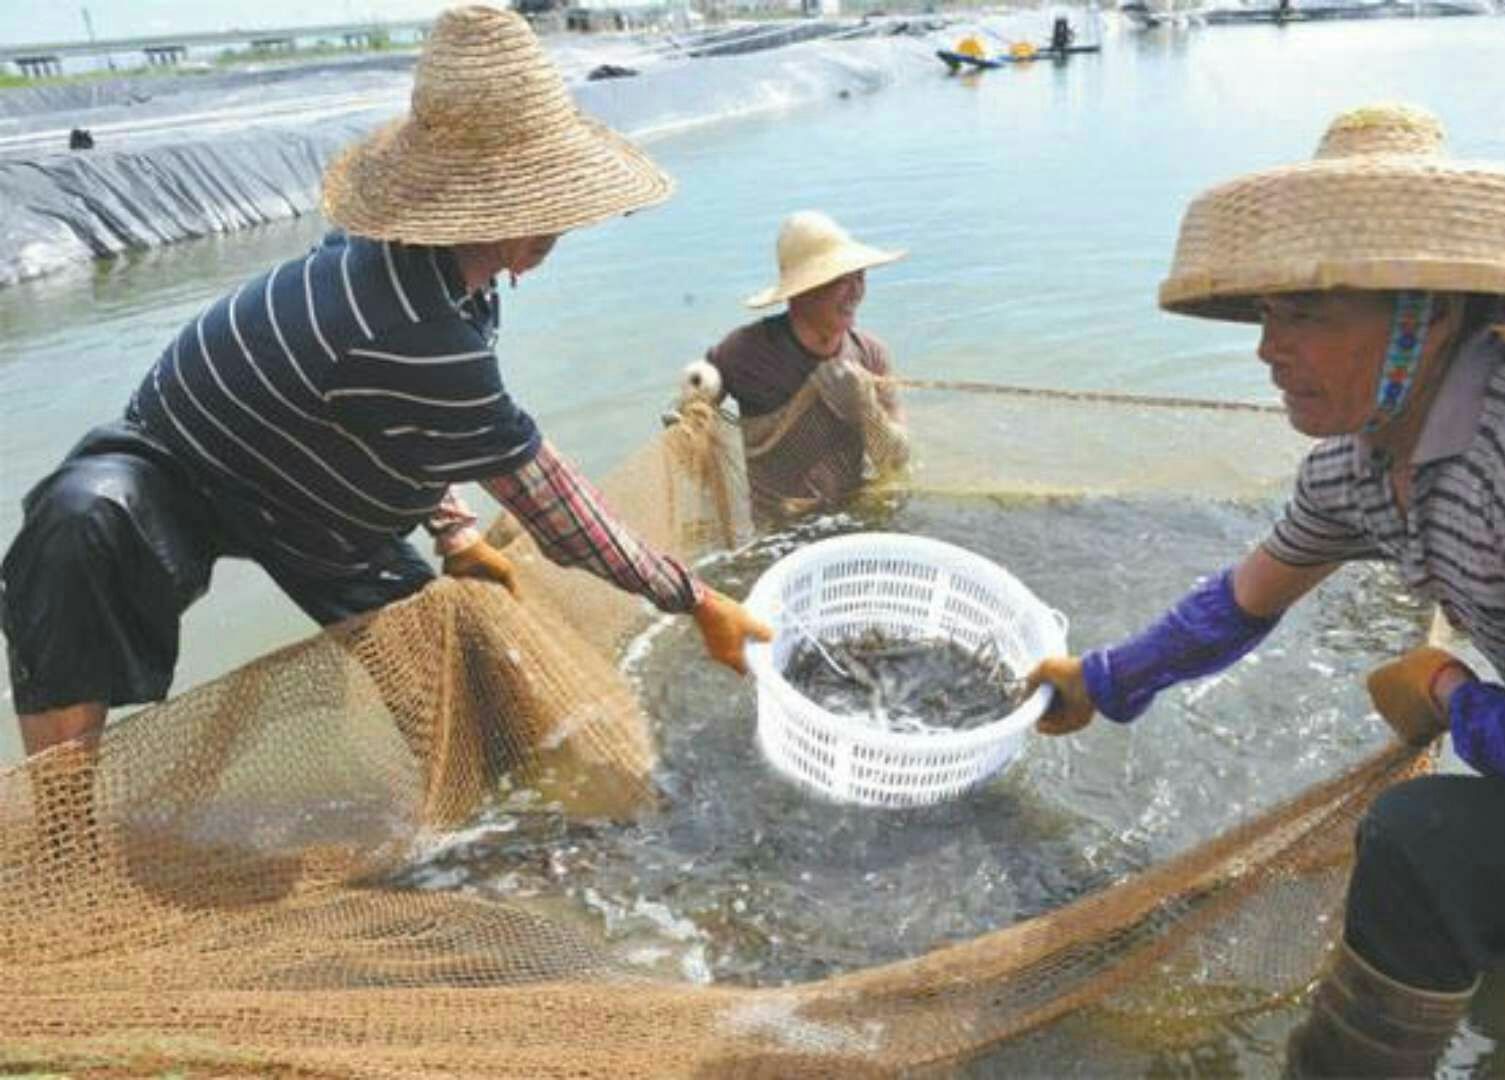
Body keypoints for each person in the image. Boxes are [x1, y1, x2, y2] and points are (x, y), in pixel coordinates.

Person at [0, 6, 769, 764]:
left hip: (323, 514)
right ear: (482, 206)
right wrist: (694, 599)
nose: (555, 235)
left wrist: (453, 527)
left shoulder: (449, 279)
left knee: (468, 698)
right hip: (181, 472)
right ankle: (69, 836)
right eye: (542, 213)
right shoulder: (418, 329)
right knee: (80, 521)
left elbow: (394, 411)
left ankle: (476, 829)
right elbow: (554, 507)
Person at [1025, 103, 1505, 1076]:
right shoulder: (1357, 465)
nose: (1268, 349)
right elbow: (1237, 604)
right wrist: (1099, 682)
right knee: (1486, 869)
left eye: (1305, 314)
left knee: (1420, 840)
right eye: (1267, 313)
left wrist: (1446, 694)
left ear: (1422, 316)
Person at [683, 210, 911, 522]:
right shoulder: (746, 353)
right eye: (841, 280)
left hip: (853, 518)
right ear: (801, 291)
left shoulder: (870, 354)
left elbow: (897, 461)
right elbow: (693, 412)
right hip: (780, 536)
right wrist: (690, 405)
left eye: (860, 276)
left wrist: (864, 408)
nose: (856, 291)